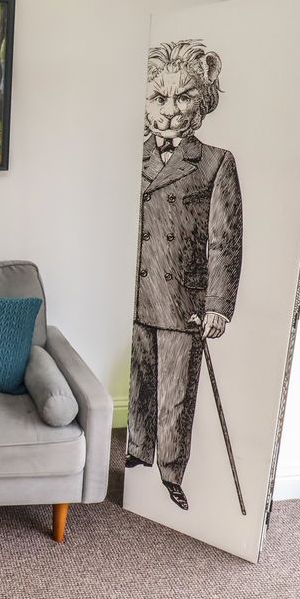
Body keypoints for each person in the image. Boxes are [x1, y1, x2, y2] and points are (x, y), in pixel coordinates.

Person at [127, 40, 243, 510]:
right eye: (159, 98)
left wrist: (217, 304)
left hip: (183, 300)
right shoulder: (129, 157)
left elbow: (224, 240)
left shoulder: (216, 162)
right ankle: (135, 453)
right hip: (134, 293)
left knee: (176, 392)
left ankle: (171, 472)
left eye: (183, 98)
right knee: (138, 380)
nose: (170, 112)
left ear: (202, 103)